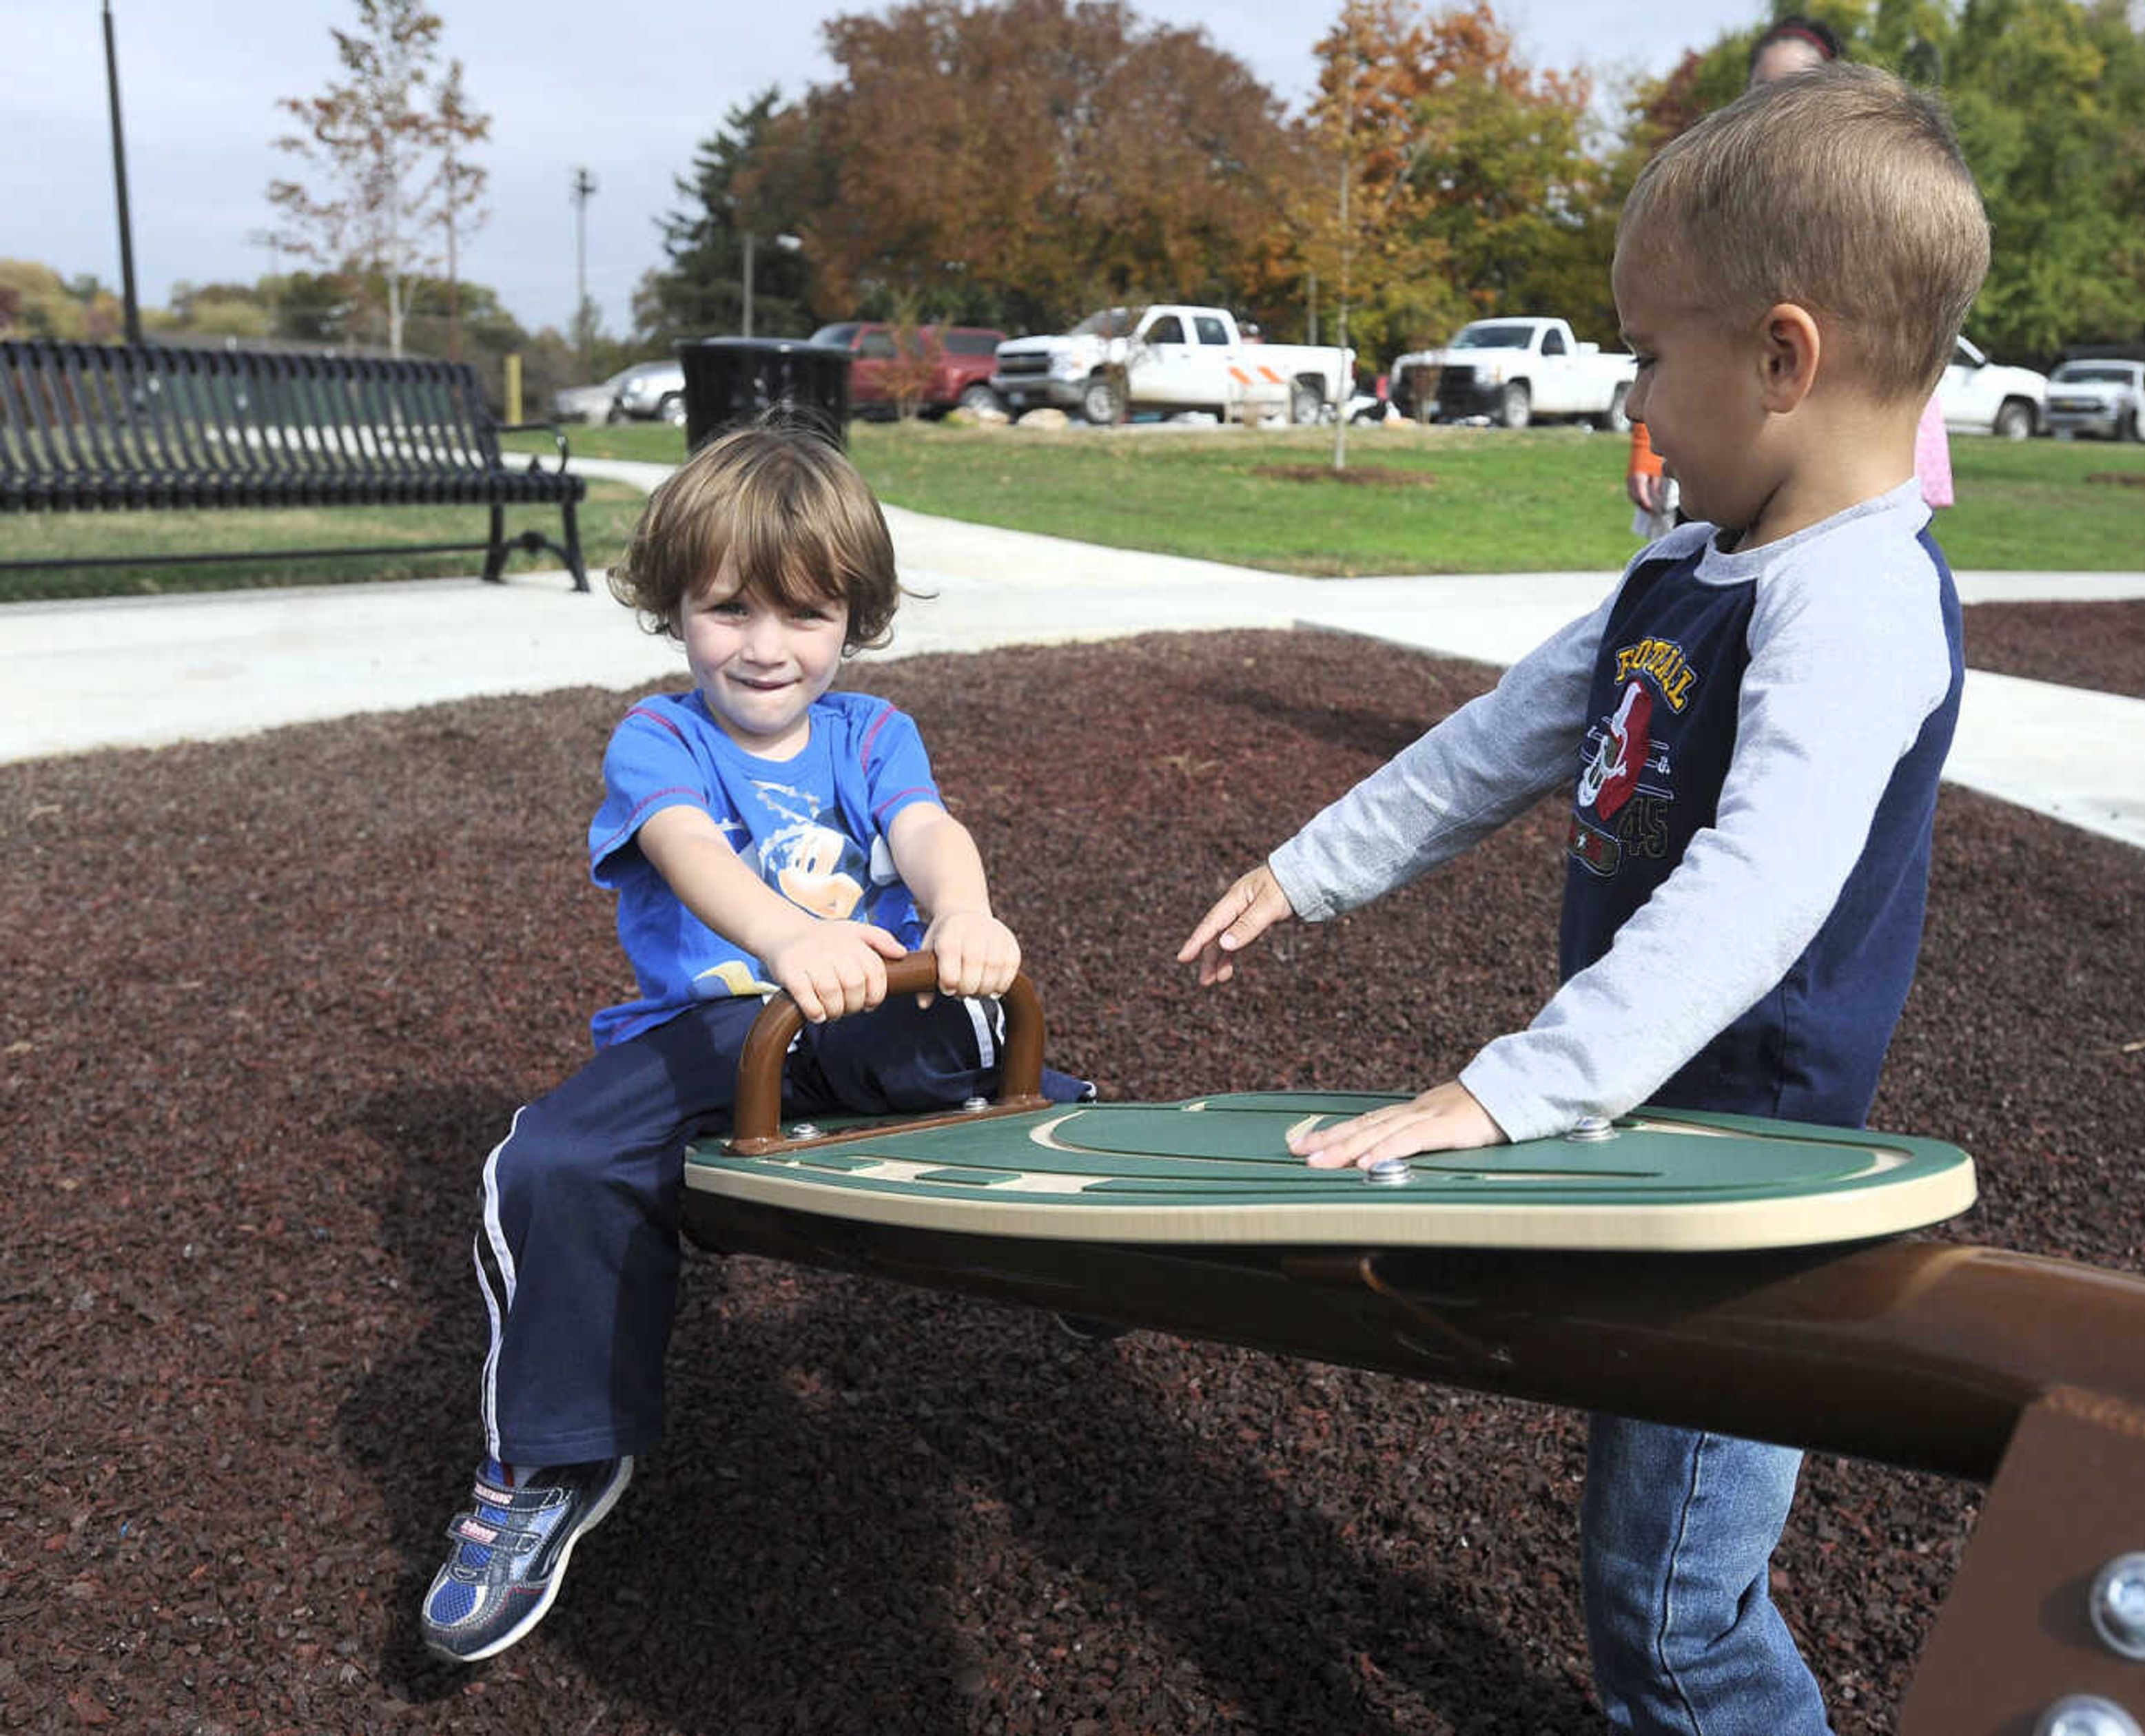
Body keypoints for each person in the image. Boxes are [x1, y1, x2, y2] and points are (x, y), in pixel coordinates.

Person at [1182, 63, 1987, 1736]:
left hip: (1739, 1185)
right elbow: (1503, 740)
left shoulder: (1851, 605)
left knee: (1677, 1614)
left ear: (1782, 357)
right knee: (1646, 1563)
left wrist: (1506, 1088)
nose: (1632, 400)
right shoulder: (1692, 568)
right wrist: (1303, 869)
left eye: (1646, 356)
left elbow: (1756, 885)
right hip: (1641, 1141)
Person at [418, 420, 1066, 1664]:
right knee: (547, 1165)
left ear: (855, 617)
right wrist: (783, 939)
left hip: (874, 1011)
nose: (765, 648)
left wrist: (964, 911)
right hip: (722, 1021)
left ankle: (1083, 1224)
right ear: (673, 609)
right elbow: (690, 853)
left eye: (805, 614)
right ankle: (551, 1461)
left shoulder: (873, 733)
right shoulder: (658, 739)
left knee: (986, 1054)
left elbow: (928, 829)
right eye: (727, 610)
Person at [1624, 17, 1951, 536]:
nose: (1779, 107)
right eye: (1765, 91)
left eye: (1800, 89)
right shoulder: (1705, 213)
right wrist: (1648, 444)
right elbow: (1665, 340)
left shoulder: (1872, 208)